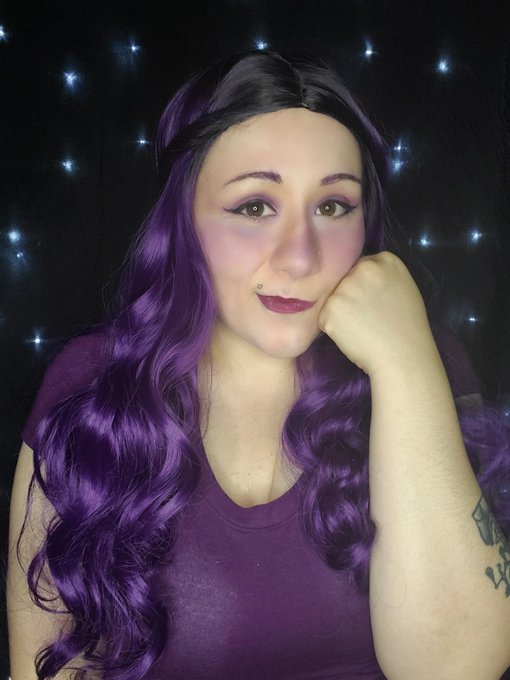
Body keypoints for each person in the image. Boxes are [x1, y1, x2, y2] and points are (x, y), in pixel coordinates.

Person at [7, 48, 510, 680]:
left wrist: (406, 363)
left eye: (333, 206)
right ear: (184, 221)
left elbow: (459, 666)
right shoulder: (94, 386)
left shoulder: (423, 362)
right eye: (254, 207)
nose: (300, 257)